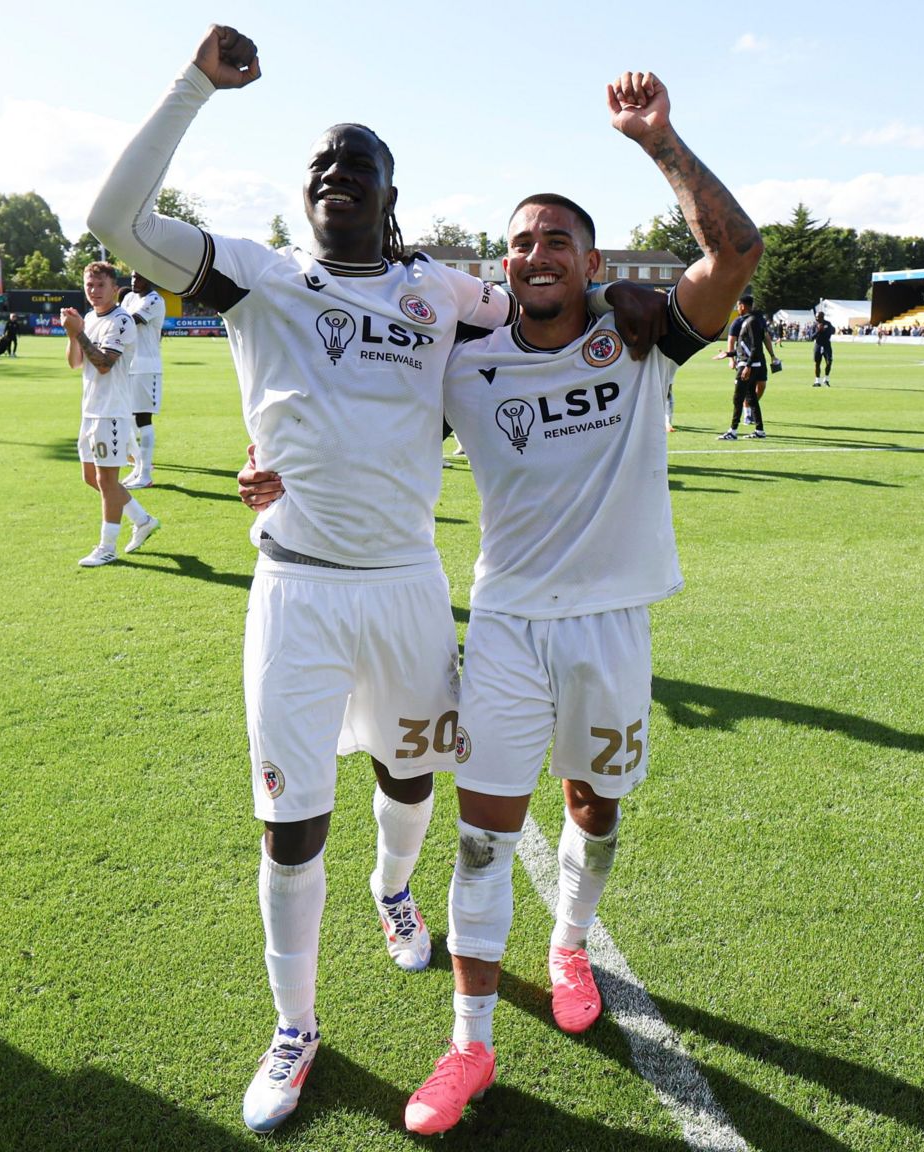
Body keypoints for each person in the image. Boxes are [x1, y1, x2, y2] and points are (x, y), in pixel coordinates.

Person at [86, 24, 665, 1134]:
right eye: (319, 165)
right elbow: (114, 224)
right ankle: (294, 1028)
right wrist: (194, 87)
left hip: (405, 587)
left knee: (410, 788)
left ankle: (393, 892)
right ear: (300, 196)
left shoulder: (444, 293)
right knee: (288, 826)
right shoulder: (255, 276)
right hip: (293, 591)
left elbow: (543, 313)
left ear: (390, 196)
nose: (335, 175)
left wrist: (613, 304)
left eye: (358, 165)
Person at [238, 71, 757, 1137]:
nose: (536, 253)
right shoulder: (462, 367)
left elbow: (735, 256)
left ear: (592, 264)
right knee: (479, 840)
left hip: (612, 625)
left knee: (592, 810)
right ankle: (467, 1046)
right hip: (507, 627)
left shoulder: (644, 338)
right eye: (521, 241)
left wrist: (657, 142)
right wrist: (273, 466)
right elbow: (357, 419)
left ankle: (568, 943)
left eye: (558, 239)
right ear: (503, 263)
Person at [63, 261, 158, 567]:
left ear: (115, 289)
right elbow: (75, 363)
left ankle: (107, 547)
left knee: (107, 481)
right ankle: (142, 520)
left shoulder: (121, 321)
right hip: (90, 410)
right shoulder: (89, 317)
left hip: (112, 412)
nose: (94, 291)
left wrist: (80, 334)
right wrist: (72, 334)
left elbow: (104, 364)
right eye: (89, 285)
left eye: (100, 285)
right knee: (92, 478)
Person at [121, 271, 166, 488]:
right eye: (132, 277)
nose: (133, 281)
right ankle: (138, 468)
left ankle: (146, 475)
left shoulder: (154, 300)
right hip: (128, 365)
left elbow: (130, 322)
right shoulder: (129, 298)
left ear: (149, 278)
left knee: (143, 419)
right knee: (128, 417)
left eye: (138, 277)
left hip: (147, 367)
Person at [722, 292, 769, 439]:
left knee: (738, 398)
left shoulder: (752, 321)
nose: (737, 308)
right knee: (751, 398)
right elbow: (744, 347)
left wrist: (748, 366)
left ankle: (732, 431)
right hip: (747, 363)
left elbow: (756, 346)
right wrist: (728, 354)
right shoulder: (746, 321)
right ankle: (760, 430)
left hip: (747, 365)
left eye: (738, 306)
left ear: (743, 306)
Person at [812, 309, 834, 386]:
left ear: (822, 317)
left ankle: (826, 379)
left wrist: (824, 330)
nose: (816, 318)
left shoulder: (828, 323)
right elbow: (811, 337)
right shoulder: (815, 325)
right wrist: (818, 330)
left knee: (829, 362)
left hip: (826, 345)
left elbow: (831, 332)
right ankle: (817, 381)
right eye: (816, 317)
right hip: (818, 345)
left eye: (818, 317)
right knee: (817, 363)